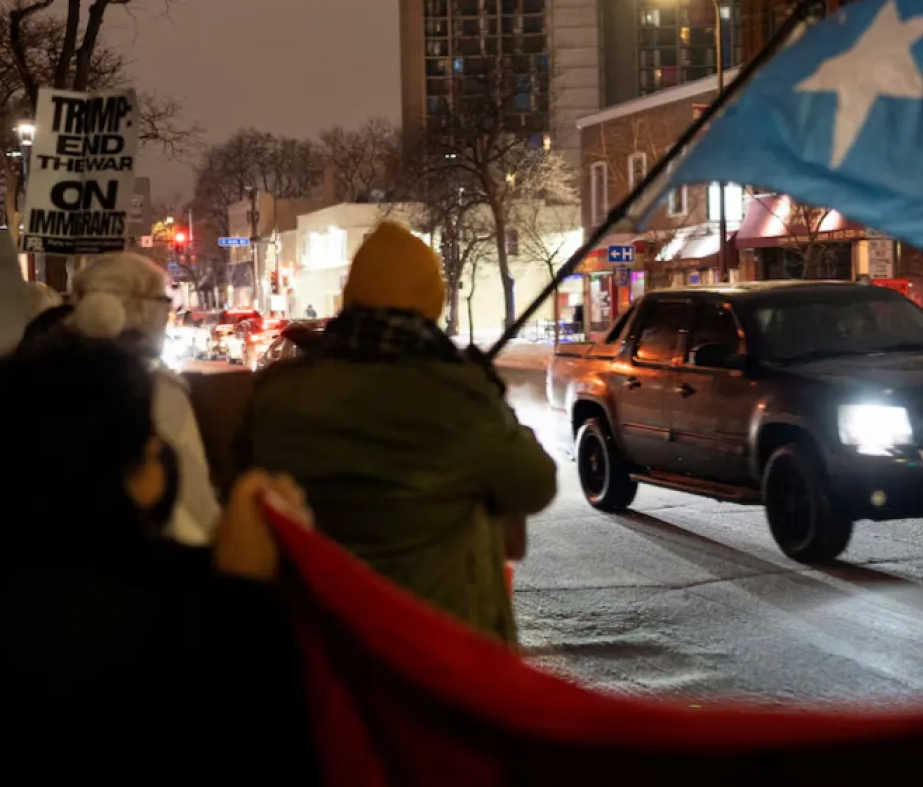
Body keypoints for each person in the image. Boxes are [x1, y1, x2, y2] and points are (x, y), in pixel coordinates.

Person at [1, 336, 317, 781]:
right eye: (149, 443)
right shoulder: (159, 628)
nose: (160, 451)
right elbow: (257, 741)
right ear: (130, 469)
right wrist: (247, 593)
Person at [240, 221, 556, 644]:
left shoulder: (276, 394)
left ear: (352, 297)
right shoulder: (457, 398)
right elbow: (535, 485)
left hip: (318, 644)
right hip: (436, 652)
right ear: (432, 301)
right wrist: (489, 399)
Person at [43, 252, 222, 545]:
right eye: (164, 303)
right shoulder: (154, 390)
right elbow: (195, 510)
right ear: (144, 310)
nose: (167, 315)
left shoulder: (36, 374)